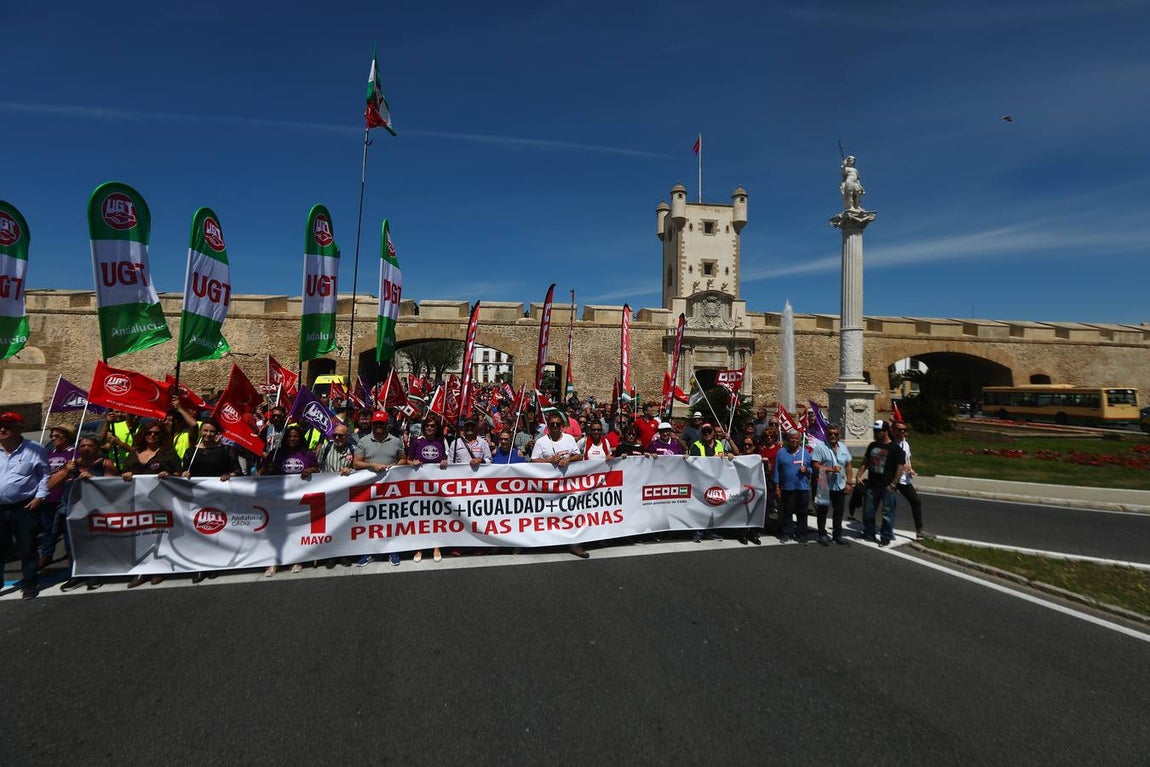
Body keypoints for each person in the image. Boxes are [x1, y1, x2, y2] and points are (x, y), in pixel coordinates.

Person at [51, 434, 119, 592]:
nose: (86, 449)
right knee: (72, 545)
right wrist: (65, 472)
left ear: (97, 448)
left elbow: (113, 487)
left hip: (95, 511)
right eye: (83, 446)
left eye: (90, 446)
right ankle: (76, 574)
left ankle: (96, 573)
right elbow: (50, 485)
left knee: (94, 543)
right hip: (70, 511)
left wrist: (94, 479)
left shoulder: (105, 463)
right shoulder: (71, 465)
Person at [122, 422, 183, 587]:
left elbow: (179, 472)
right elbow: (124, 471)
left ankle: (159, 569)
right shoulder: (134, 453)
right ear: (143, 434)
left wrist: (170, 474)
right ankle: (141, 571)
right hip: (138, 503)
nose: (152, 435)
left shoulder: (168, 453)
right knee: (141, 537)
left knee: (160, 536)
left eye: (156, 433)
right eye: (149, 432)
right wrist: (126, 474)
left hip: (161, 502)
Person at [0, 411, 51, 600]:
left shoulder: (34, 449)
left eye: (8, 426)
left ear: (19, 428)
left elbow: (44, 475)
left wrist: (40, 497)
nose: (3, 429)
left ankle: (30, 582)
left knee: (27, 547)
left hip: (24, 507)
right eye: (1, 426)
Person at [259, 424, 318, 576]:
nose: (292, 439)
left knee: (297, 530)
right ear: (285, 438)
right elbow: (261, 474)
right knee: (277, 531)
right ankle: (274, 562)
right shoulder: (275, 453)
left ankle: (296, 559)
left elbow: (318, 470)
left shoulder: (308, 454)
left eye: (295, 436)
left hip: (300, 499)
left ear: (300, 438)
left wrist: (310, 470)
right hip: (279, 499)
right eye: (290, 436)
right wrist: (268, 469)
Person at [531, 413, 589, 559]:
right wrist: (549, 460)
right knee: (549, 515)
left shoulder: (569, 439)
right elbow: (533, 461)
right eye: (552, 424)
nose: (555, 427)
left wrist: (568, 459)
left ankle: (574, 544)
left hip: (568, 485)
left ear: (562, 426)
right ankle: (549, 542)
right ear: (548, 427)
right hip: (548, 487)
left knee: (572, 513)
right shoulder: (541, 442)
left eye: (558, 424)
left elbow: (579, 456)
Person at [402, 415, 450, 565]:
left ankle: (436, 546)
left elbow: (446, 459)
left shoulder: (442, 441)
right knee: (420, 516)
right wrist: (413, 462)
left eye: (433, 426)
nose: (430, 428)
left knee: (436, 516)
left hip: (436, 486)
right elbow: (407, 460)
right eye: (427, 426)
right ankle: (419, 547)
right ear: (423, 427)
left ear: (437, 428)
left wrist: (444, 461)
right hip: (419, 485)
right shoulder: (416, 441)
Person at [856, 421, 907, 546]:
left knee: (887, 513)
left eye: (878, 431)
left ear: (885, 431)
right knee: (868, 511)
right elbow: (865, 462)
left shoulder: (895, 449)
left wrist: (894, 484)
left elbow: (900, 468)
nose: (875, 434)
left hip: (888, 486)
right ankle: (869, 531)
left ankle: (886, 535)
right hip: (873, 484)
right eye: (874, 431)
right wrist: (858, 475)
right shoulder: (873, 446)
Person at [38, 424, 75, 569]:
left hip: (65, 497)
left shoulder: (73, 453)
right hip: (48, 496)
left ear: (67, 438)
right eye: (52, 436)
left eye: (57, 436)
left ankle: (71, 557)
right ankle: (46, 555)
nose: (53, 439)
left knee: (67, 529)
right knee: (48, 529)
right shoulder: (48, 452)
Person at [811, 425, 853, 546]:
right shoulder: (820, 448)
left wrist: (849, 482)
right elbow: (815, 465)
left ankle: (837, 535)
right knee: (823, 510)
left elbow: (848, 465)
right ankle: (822, 534)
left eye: (835, 434)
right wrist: (829, 469)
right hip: (825, 485)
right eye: (830, 434)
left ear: (839, 435)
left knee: (839, 511)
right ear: (826, 434)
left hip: (839, 485)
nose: (833, 436)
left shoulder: (843, 448)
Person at [688, 423, 727, 542]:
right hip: (701, 481)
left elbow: (724, 459)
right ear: (701, 433)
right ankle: (698, 532)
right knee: (700, 508)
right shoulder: (696, 445)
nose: (707, 434)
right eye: (705, 432)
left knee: (714, 507)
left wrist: (728, 456)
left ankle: (711, 532)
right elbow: (695, 463)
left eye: (709, 432)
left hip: (716, 480)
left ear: (713, 433)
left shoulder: (719, 444)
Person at [772, 430, 813, 543]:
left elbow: (812, 469)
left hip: (802, 487)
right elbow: (776, 471)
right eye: (791, 438)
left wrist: (807, 470)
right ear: (788, 439)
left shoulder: (806, 453)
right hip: (787, 487)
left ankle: (802, 534)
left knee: (802, 512)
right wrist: (776, 486)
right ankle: (787, 533)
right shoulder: (781, 452)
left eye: (796, 438)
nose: (794, 440)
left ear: (800, 440)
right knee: (787, 512)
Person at [891, 420, 927, 539]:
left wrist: (910, 468)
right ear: (893, 430)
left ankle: (919, 530)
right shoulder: (890, 444)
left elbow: (907, 459)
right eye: (899, 430)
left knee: (916, 501)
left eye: (904, 430)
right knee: (890, 504)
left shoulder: (905, 444)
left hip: (904, 480)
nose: (902, 432)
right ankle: (886, 529)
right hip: (891, 479)